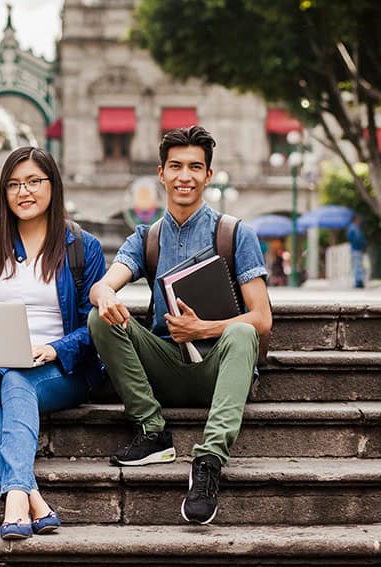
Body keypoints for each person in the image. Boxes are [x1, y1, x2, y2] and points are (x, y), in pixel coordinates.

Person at [87, 126, 272, 525]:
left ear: (208, 175)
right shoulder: (146, 238)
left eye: (194, 167)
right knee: (98, 317)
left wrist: (202, 329)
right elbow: (106, 282)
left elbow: (261, 319)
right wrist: (103, 294)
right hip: (165, 365)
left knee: (241, 332)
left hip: (218, 368)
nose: (184, 175)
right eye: (176, 166)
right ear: (161, 173)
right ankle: (153, 431)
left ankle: (208, 461)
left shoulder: (236, 234)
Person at [0, 146, 106, 540]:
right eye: (14, 184)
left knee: (18, 380)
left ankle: (16, 498)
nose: (24, 191)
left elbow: (95, 324)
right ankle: (27, 494)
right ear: (3, 192)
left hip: (62, 367)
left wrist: (56, 348)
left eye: (34, 182)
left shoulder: (81, 246)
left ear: (53, 186)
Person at [347, 214, 367, 288]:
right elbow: (358, 239)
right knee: (357, 265)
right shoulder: (354, 228)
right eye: (358, 219)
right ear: (355, 219)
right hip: (357, 249)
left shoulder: (351, 228)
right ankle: (359, 282)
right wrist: (361, 247)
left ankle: (358, 281)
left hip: (354, 249)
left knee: (357, 265)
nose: (359, 221)